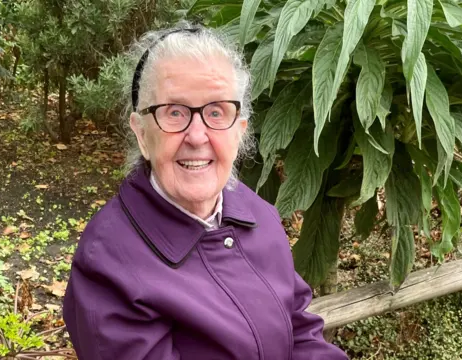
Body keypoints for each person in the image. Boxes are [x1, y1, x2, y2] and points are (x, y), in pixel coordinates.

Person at [62, 25, 349, 360]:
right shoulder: (108, 264)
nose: (197, 136)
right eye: (174, 112)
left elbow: (299, 328)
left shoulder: (258, 214)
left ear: (239, 132)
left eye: (216, 112)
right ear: (142, 134)